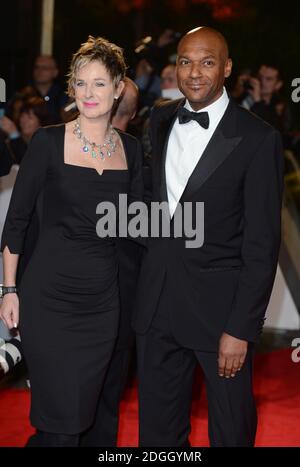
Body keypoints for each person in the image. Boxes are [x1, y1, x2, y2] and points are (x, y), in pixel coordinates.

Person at [133, 26, 284, 447]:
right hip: (156, 308)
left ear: (227, 68)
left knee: (230, 430)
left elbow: (261, 244)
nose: (194, 72)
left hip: (221, 317)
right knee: (158, 437)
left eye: (207, 61)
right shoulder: (160, 118)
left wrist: (241, 328)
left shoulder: (258, 138)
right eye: (185, 61)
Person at [0, 35, 143, 447]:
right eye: (80, 83)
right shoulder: (47, 142)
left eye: (99, 83)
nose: (89, 93)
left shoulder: (131, 151)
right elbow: (17, 221)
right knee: (60, 425)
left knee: (90, 419)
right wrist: (9, 289)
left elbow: (135, 226)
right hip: (49, 300)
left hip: (103, 305)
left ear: (118, 88)